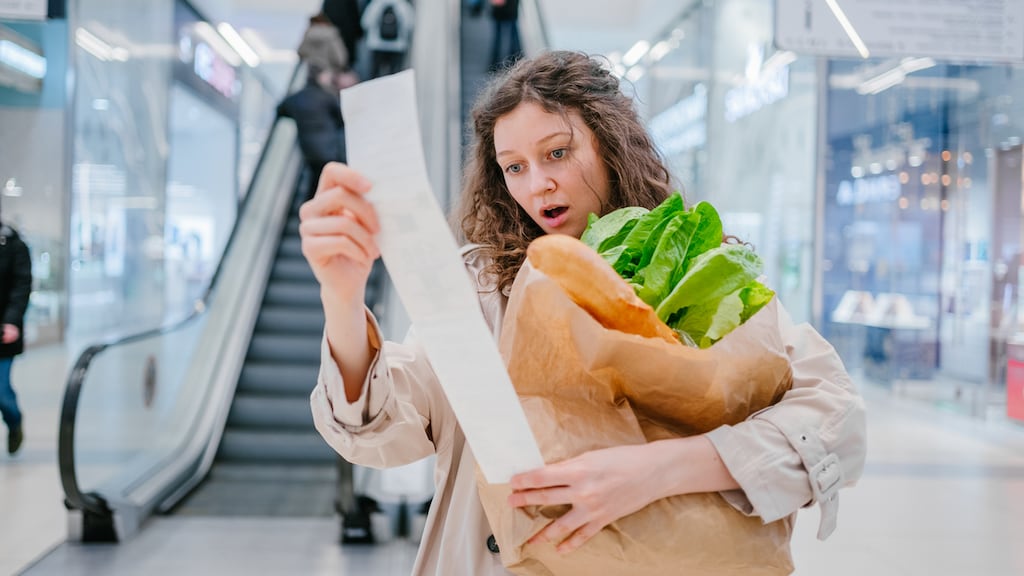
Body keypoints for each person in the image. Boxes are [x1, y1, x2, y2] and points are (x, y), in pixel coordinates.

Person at [300, 51, 866, 574]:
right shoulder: (480, 284)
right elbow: (386, 429)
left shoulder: (698, 265)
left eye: (557, 153)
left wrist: (661, 469)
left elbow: (833, 419)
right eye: (513, 167)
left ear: (610, 145)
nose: (537, 183)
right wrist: (342, 298)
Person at [277, 66, 347, 201]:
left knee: (316, 180)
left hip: (309, 150)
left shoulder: (296, 97)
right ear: (319, 77)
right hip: (328, 148)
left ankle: (310, 209)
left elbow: (280, 110)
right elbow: (341, 118)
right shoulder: (326, 96)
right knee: (329, 178)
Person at [0, 217, 31, 456]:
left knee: (1, 391)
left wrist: (11, 321)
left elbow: (22, 286)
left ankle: (14, 421)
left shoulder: (13, 244)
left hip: (3, 333)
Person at [360, 0, 415, 78]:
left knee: (375, 77)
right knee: (395, 76)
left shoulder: (376, 4)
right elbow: (409, 25)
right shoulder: (403, 5)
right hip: (398, 47)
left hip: (377, 46)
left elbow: (365, 23)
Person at [298, 12, 351, 79]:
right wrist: (341, 66)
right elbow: (340, 57)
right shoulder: (331, 34)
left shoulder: (309, 34)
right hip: (328, 70)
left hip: (311, 69)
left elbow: (301, 51)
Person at [322, 0, 364, 69]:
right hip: (346, 35)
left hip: (334, 36)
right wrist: (359, 32)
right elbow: (354, 16)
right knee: (345, 63)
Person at [488, 0, 521, 71]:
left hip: (505, 9)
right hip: (508, 9)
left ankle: (496, 63)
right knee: (511, 37)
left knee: (501, 37)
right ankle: (515, 62)